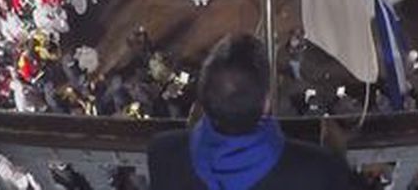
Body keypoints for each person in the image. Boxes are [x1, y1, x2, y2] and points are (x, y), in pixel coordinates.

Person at [147, 34, 350, 190]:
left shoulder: (163, 152)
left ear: (204, 100)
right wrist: (338, 156)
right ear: (266, 104)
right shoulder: (317, 169)